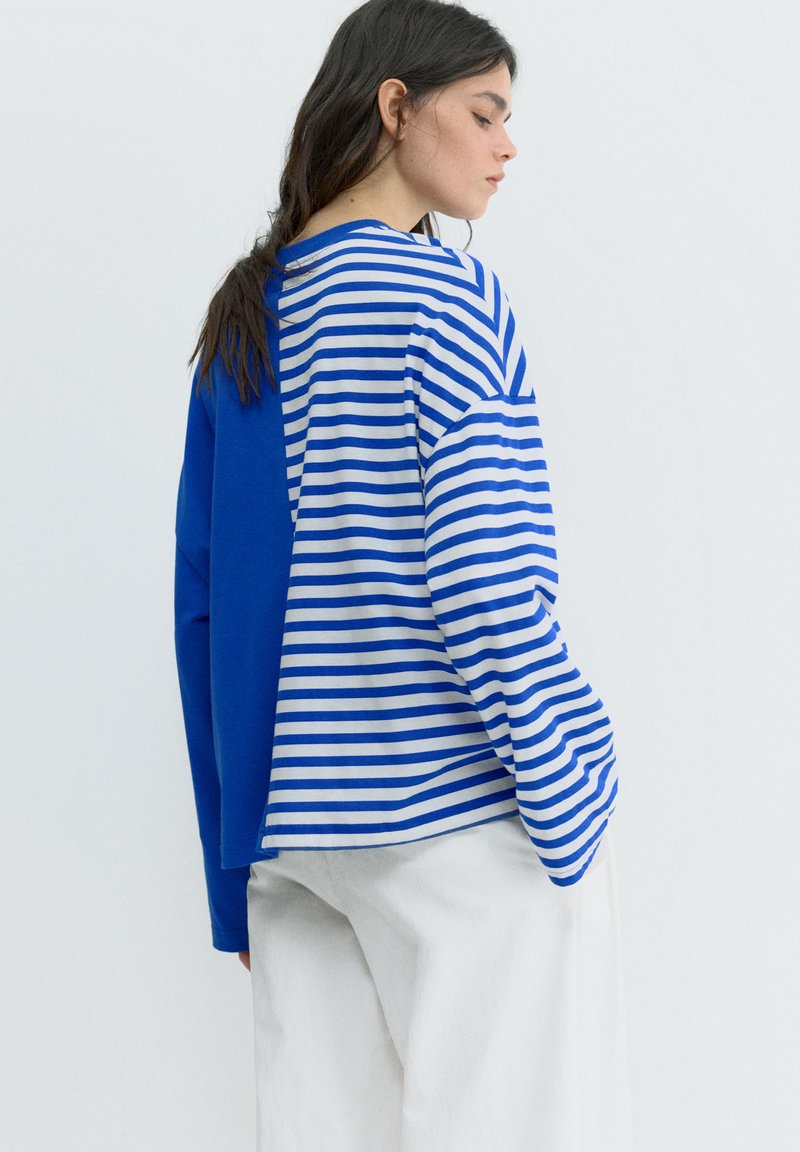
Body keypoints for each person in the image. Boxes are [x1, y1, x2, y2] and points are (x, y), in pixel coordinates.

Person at [173, 1, 634, 1148]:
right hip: (458, 820)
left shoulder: (248, 318)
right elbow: (483, 575)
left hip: (294, 841)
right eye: (483, 113)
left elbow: (206, 610)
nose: (505, 147)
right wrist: (566, 787)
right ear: (394, 106)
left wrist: (233, 862)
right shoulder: (444, 297)